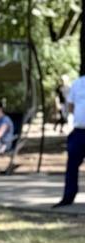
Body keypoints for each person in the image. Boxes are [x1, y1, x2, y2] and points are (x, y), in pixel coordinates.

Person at [55, 72, 85, 207]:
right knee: (72, 165)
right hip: (79, 131)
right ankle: (68, 196)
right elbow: (71, 106)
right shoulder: (78, 83)